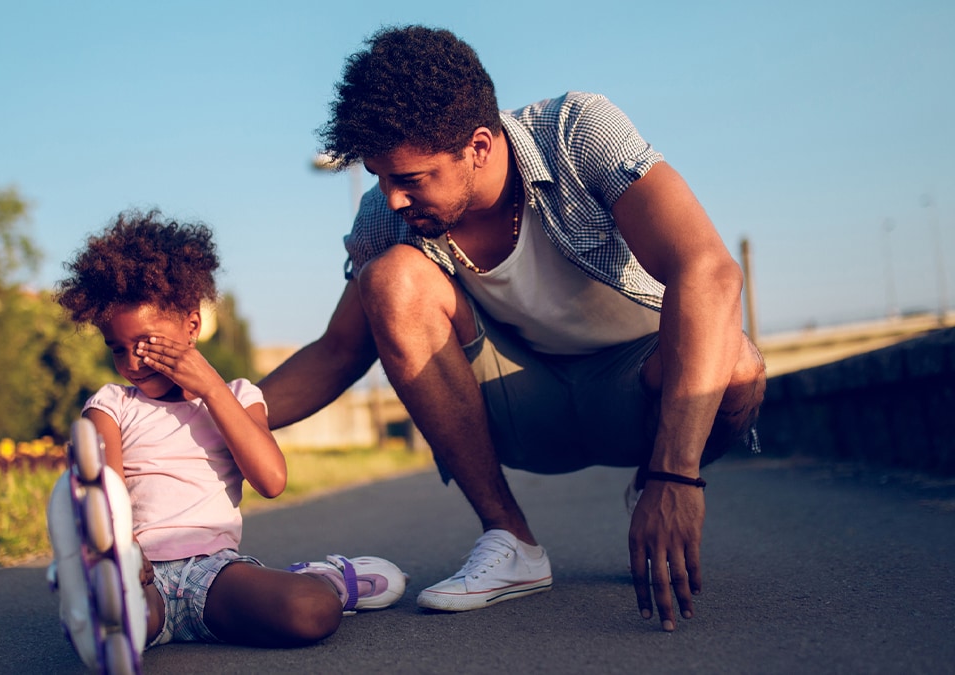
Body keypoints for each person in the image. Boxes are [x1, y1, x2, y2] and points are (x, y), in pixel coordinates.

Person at [259, 26, 765, 632]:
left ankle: (648, 480)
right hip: (520, 406)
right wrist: (215, 416)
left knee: (736, 363)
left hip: (637, 392)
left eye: (409, 179)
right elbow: (338, 351)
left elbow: (708, 271)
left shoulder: (577, 132)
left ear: (478, 145)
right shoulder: (386, 217)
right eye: (378, 177)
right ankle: (511, 542)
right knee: (390, 278)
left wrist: (674, 474)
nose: (389, 199)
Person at [45, 209, 408, 672]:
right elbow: (105, 496)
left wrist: (212, 389)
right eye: (117, 348)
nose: (133, 362)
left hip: (212, 574)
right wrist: (125, 554)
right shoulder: (111, 405)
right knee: (123, 619)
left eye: (148, 343)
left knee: (312, 611)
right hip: (139, 576)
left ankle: (326, 580)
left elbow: (272, 480)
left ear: (191, 327)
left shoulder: (237, 397)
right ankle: (104, 615)